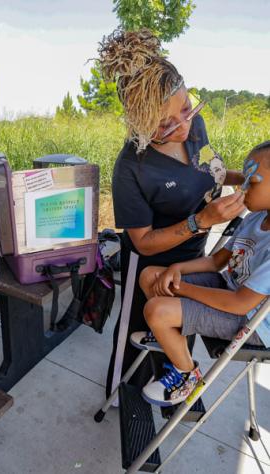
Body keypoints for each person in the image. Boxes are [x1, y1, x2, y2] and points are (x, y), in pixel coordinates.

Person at [101, 29, 247, 397]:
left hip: (195, 254)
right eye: (167, 125)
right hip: (150, 260)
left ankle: (180, 381)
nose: (184, 127)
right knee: (137, 329)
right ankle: (125, 393)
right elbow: (145, 243)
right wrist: (201, 221)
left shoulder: (193, 125)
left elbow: (205, 170)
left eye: (186, 109)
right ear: (141, 124)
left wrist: (246, 180)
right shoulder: (130, 169)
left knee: (181, 320)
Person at [131, 142, 270, 406]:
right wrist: (176, 269)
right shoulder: (255, 219)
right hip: (227, 285)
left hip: (251, 322)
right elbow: (216, 262)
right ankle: (168, 339)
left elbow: (239, 304)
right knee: (150, 275)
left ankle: (187, 375)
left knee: (156, 311)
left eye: (253, 184)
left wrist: (181, 287)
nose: (242, 188)